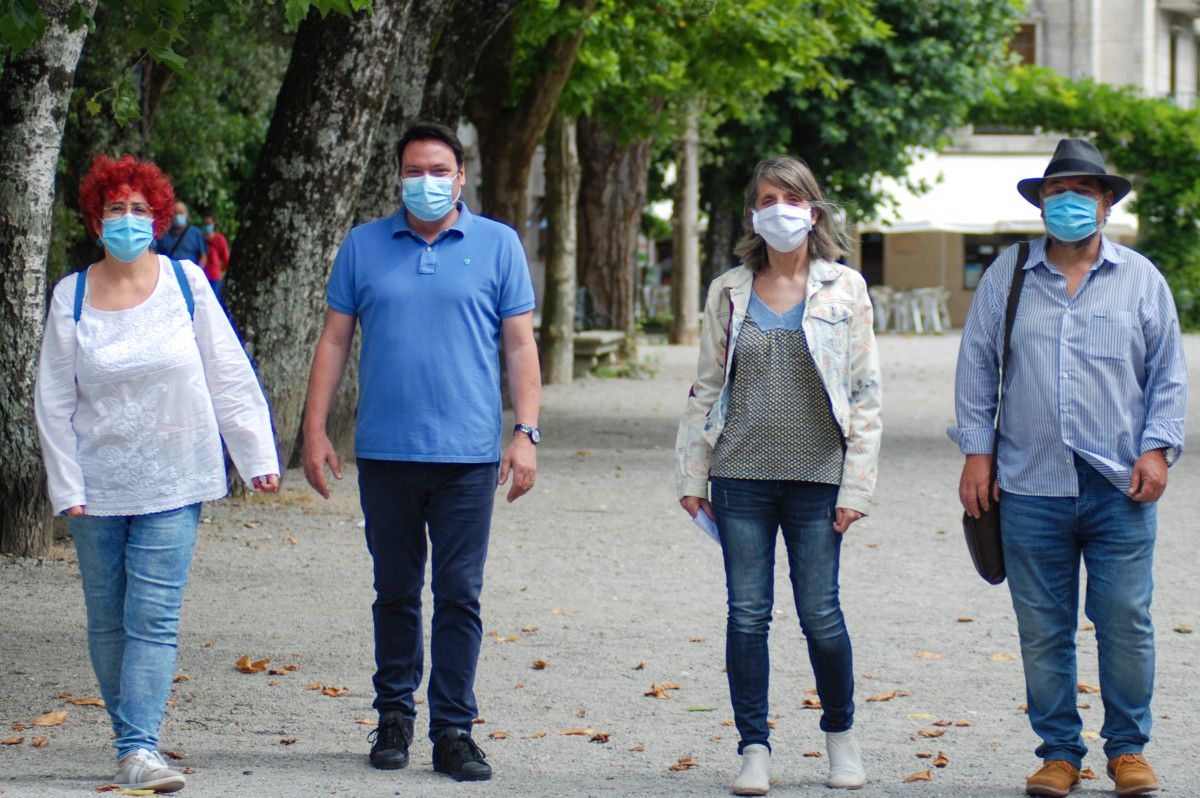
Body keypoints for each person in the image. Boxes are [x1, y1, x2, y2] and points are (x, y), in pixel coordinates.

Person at [301, 121, 541, 782]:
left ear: (461, 177)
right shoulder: (363, 246)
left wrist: (525, 432)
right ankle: (394, 717)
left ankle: (455, 729)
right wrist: (314, 429)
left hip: (468, 457)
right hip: (386, 453)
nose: (428, 182)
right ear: (399, 176)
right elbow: (333, 341)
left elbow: (520, 346)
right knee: (396, 591)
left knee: (460, 593)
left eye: (441, 170)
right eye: (416, 170)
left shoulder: (498, 245)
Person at [34, 154, 280, 793]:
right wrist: (67, 486)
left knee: (154, 616)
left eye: (139, 210)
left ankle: (138, 747)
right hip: (97, 483)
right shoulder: (73, 294)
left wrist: (255, 456)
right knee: (107, 618)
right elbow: (54, 400)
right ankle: (132, 743)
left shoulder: (185, 282)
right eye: (115, 209)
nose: (127, 220)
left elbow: (225, 370)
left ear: (159, 218)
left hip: (176, 476)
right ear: (96, 218)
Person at [950, 138, 1187, 798]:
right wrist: (977, 450)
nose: (1069, 205)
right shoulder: (1010, 273)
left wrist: (1157, 447)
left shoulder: (1142, 278)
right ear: (1042, 205)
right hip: (1030, 484)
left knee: (1125, 622)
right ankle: (1058, 751)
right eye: (1057, 194)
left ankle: (1127, 749)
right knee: (1043, 630)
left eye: (1083, 193)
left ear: (1106, 203)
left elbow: (1167, 374)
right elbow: (977, 366)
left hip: (1121, 486)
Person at [675, 155, 882, 794]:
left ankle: (841, 738)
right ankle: (754, 747)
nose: (779, 209)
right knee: (747, 614)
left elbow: (866, 393)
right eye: (767, 198)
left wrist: (858, 486)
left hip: (820, 478)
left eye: (791, 198)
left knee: (821, 613)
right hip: (741, 478)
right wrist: (692, 474)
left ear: (812, 210)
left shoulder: (845, 289)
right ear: (753, 213)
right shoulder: (728, 292)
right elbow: (706, 386)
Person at [155, 200, 207, 267]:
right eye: (175, 213)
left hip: (189, 274)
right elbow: (154, 253)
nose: (178, 216)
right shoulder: (164, 233)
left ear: (187, 214)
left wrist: (198, 272)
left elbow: (203, 256)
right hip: (168, 274)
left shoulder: (196, 233)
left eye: (181, 213)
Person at [200, 213, 230, 297]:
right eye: (204, 224)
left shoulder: (220, 239)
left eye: (208, 224)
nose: (206, 226)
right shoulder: (199, 238)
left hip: (215, 277)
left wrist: (221, 269)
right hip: (200, 277)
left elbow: (226, 259)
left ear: (213, 224)